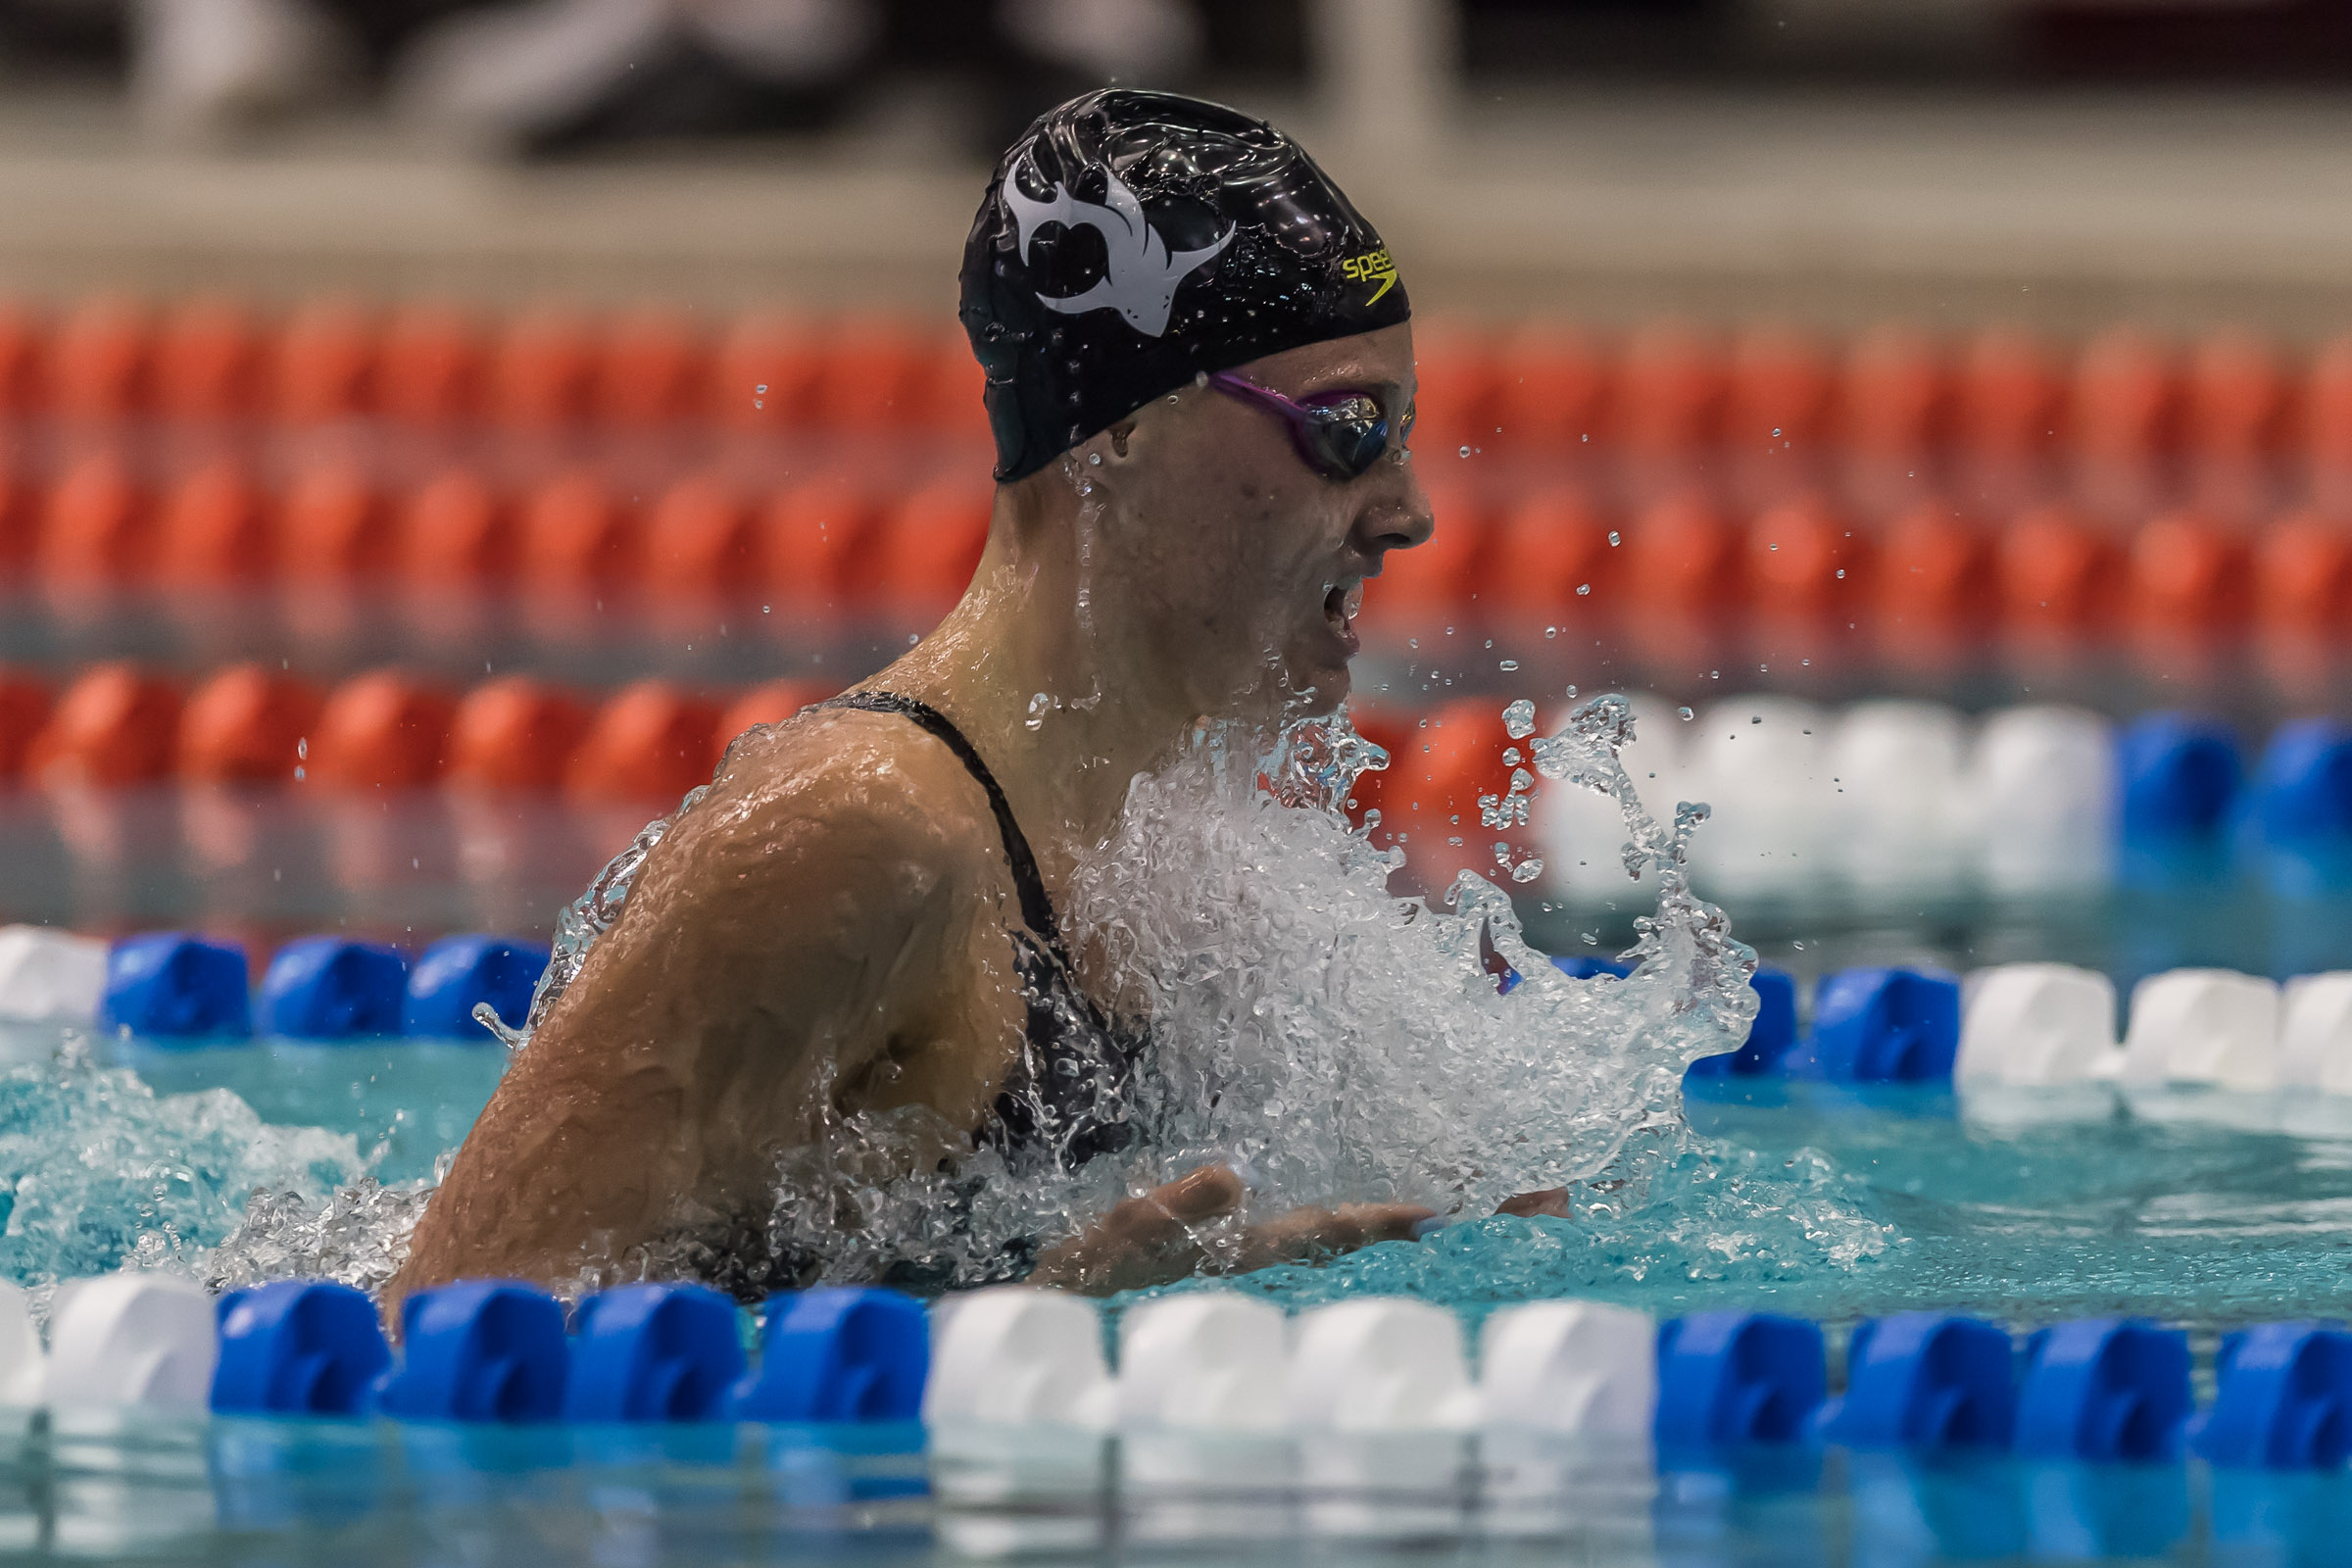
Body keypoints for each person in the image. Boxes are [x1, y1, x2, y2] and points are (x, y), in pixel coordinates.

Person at [392, 87, 1546, 1308]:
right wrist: (1016, 1330)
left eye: (1406, 433)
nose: (1409, 512)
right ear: (1121, 429)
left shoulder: (1181, 824)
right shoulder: (866, 832)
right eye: (1345, 429)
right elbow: (455, 1346)